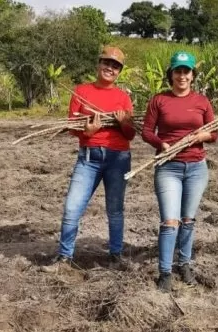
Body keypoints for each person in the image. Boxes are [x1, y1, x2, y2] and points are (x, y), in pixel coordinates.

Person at [42, 45, 136, 273]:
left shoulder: (123, 98)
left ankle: (115, 256)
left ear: (119, 72)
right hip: (88, 158)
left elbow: (131, 134)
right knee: (72, 208)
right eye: (107, 63)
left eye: (115, 66)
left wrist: (124, 123)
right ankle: (64, 258)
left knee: (115, 210)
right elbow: (72, 127)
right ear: (99, 64)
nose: (110, 68)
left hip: (118, 158)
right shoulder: (81, 92)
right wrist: (88, 132)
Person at [142, 51, 218, 292]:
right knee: (169, 221)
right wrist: (161, 144)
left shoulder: (202, 102)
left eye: (187, 71)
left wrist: (203, 135)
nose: (182, 75)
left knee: (188, 220)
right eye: (178, 71)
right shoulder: (159, 100)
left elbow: (214, 133)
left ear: (193, 75)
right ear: (171, 74)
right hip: (168, 167)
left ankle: (184, 264)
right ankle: (165, 271)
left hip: (196, 167)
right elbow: (146, 131)